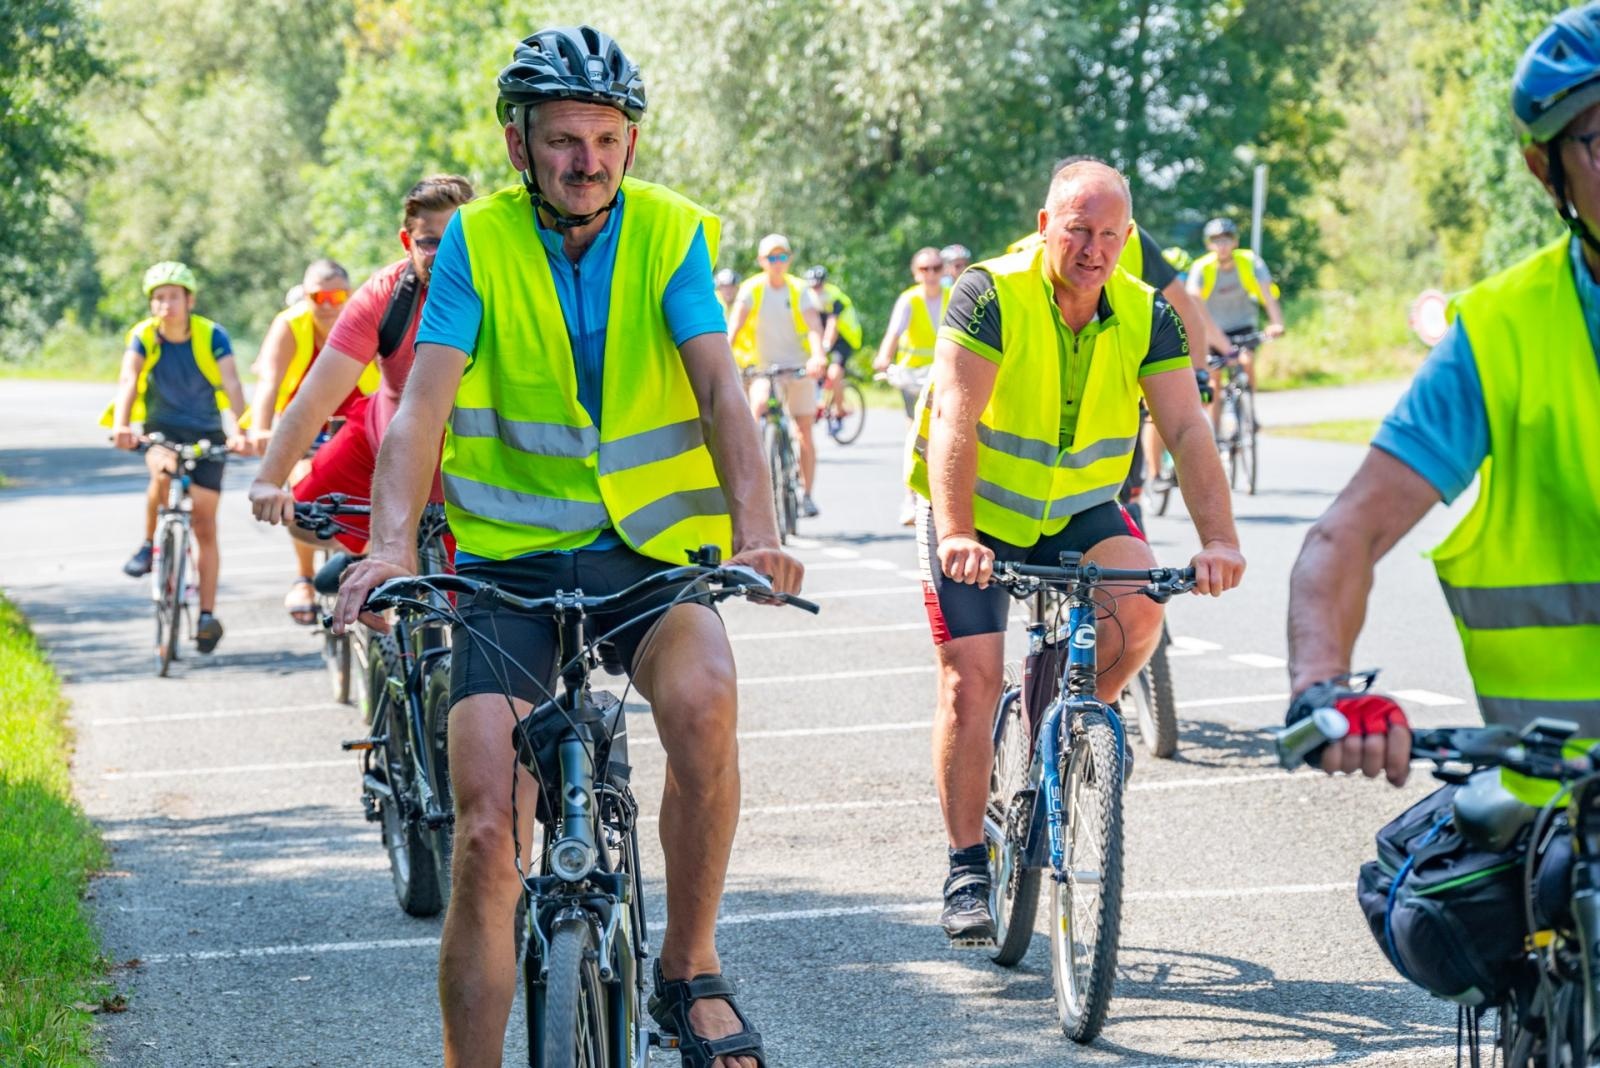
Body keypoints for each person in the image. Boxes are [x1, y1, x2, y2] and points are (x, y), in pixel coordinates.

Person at [330, 27, 803, 1068]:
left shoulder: (672, 234)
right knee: (489, 830)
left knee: (704, 700)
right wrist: (390, 543)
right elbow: (420, 404)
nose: (586, 161)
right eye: (561, 141)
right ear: (517, 146)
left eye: (604, 138)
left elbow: (723, 389)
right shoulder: (478, 242)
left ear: (629, 143)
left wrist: (759, 532)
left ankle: (690, 969)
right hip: (508, 565)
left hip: (649, 557)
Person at [913, 160, 1245, 942]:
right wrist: (958, 532)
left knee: (1140, 607)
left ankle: (1073, 722)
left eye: (1109, 235)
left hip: (1079, 507)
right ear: (1043, 226)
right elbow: (957, 417)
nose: (1093, 248)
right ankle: (966, 864)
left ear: (1128, 239)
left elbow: (1187, 429)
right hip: (980, 509)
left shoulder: (1145, 313)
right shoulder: (990, 293)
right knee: (971, 677)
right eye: (1077, 230)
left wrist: (1219, 540)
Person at [1285, 3, 1600, 785]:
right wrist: (1323, 689)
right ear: (1544, 169)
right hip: (1569, 812)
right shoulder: (1504, 333)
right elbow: (1343, 537)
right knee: (1420, 901)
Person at [246, 175, 476, 590]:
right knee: (303, 517)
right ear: (407, 242)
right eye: (430, 242)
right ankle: (365, 557)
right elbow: (316, 397)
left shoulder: (498, 288)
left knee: (472, 612)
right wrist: (268, 479)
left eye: (457, 238)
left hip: (472, 460)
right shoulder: (384, 296)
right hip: (386, 442)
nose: (445, 255)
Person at [105, 261, 248, 653]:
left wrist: (242, 430)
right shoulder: (144, 336)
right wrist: (122, 426)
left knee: (204, 524)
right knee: (162, 471)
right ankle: (150, 544)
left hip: (207, 433)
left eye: (173, 297)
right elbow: (129, 380)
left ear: (190, 300)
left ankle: (205, 615)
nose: (165, 305)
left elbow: (232, 382)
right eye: (158, 298)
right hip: (161, 430)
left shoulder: (211, 335)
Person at [241, 258, 370, 621]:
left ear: (349, 294)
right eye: (318, 296)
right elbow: (269, 383)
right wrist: (261, 430)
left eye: (337, 295)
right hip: (306, 425)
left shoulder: (368, 316)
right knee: (301, 487)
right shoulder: (290, 325)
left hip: (357, 422)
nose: (328, 304)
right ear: (304, 295)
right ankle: (304, 578)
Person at [726, 233, 829, 517]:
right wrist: (724, 357)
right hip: (763, 366)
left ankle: (806, 494)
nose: (777, 262)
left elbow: (813, 327)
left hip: (797, 365)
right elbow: (734, 327)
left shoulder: (799, 289)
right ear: (761, 261)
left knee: (803, 430)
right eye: (772, 258)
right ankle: (760, 477)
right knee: (757, 409)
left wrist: (818, 355)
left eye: (782, 256)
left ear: (789, 259)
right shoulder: (751, 289)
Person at [1186, 217, 1285, 421]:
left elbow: (1267, 294)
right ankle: (1215, 433)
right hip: (1213, 330)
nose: (1222, 246)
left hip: (1242, 324)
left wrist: (1277, 323)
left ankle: (1249, 410)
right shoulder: (1201, 267)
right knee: (1214, 377)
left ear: (1235, 242)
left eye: (1226, 240)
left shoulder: (1249, 261)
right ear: (1208, 244)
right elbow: (1192, 298)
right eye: (1216, 241)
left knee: (1246, 360)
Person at [875, 247, 948, 524]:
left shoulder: (952, 295)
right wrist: (883, 357)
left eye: (936, 268)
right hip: (913, 377)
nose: (931, 275)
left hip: (944, 374)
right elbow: (893, 333)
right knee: (915, 434)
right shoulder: (909, 299)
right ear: (915, 273)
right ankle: (911, 499)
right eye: (925, 269)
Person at [802, 264, 863, 420]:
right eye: (813, 286)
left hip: (843, 339)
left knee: (834, 373)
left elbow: (832, 325)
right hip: (822, 337)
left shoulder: (834, 296)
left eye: (818, 285)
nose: (816, 288)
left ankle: (840, 409)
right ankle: (819, 401)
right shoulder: (806, 297)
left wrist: (825, 346)